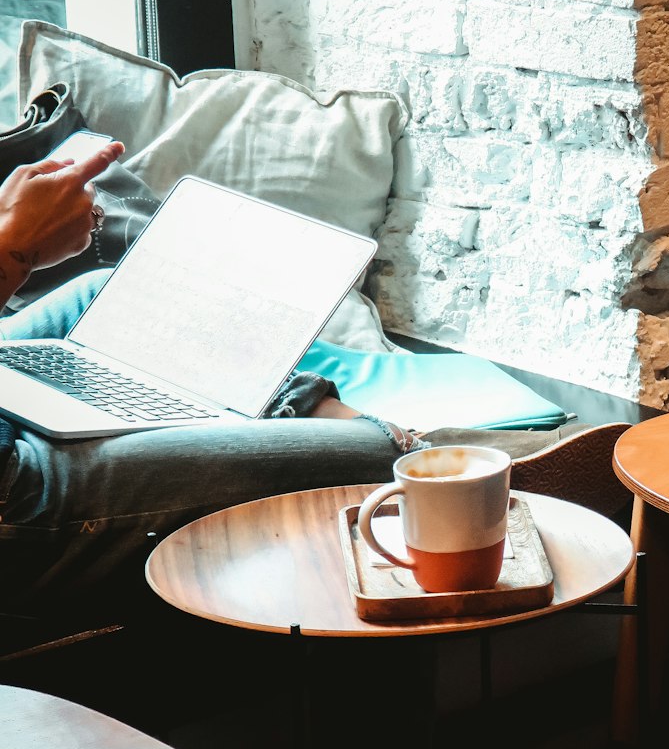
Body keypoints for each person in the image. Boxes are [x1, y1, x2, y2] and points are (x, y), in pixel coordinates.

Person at [0, 145, 626, 621]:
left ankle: (333, 419)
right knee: (366, 462)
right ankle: (427, 462)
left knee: (110, 297)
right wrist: (13, 245)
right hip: (15, 498)